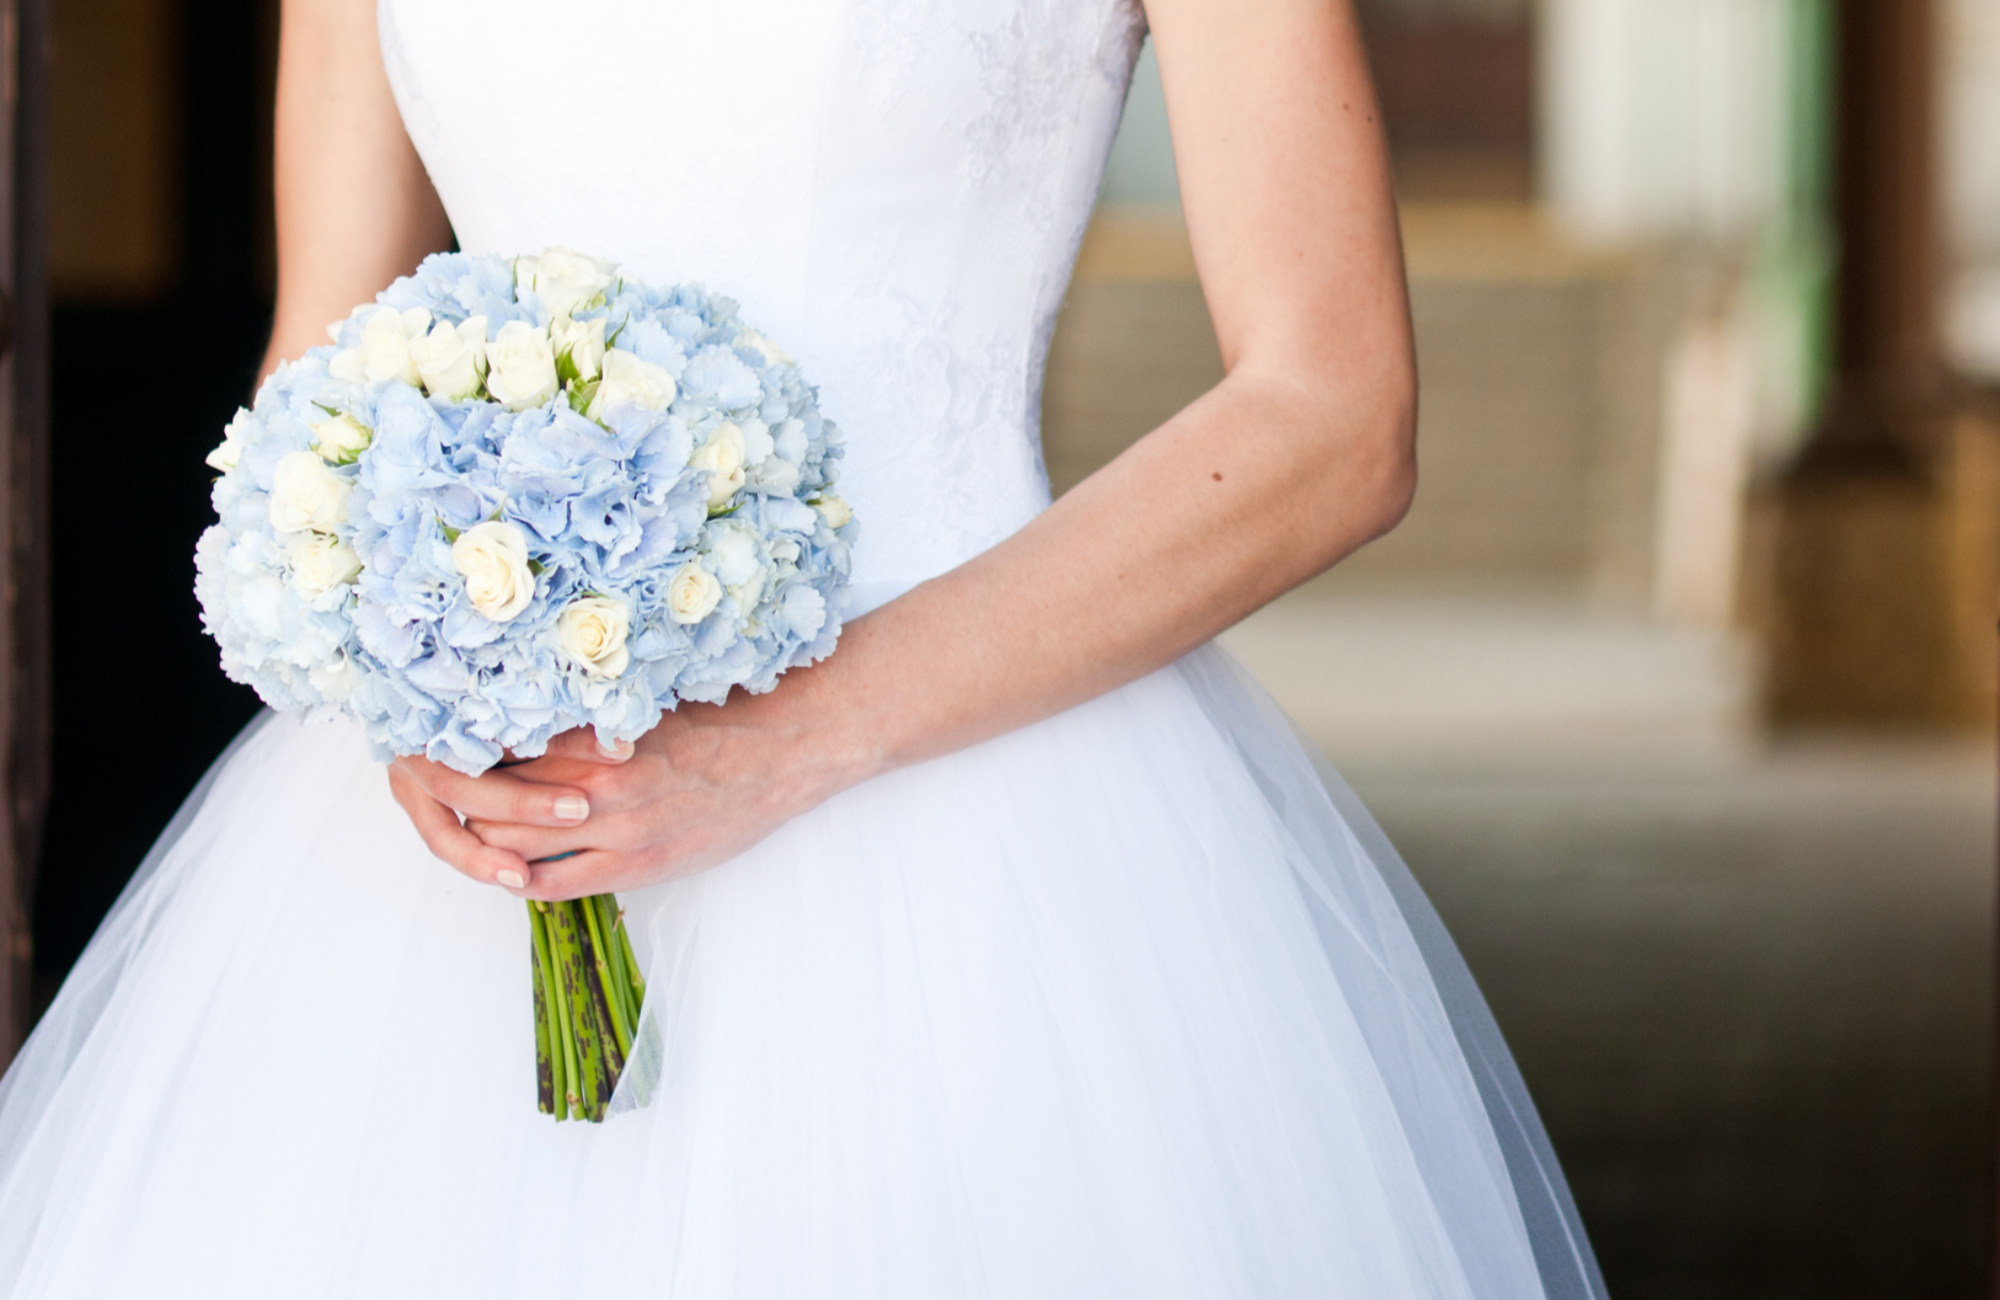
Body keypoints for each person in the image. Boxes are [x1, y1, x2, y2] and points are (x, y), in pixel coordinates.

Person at [0, 0, 1608, 1295]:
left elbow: (1335, 415)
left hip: (986, 819)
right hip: (453, 860)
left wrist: (799, 731)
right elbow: (321, 384)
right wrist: (402, 677)